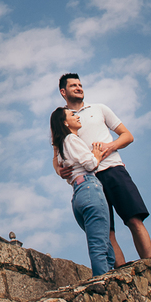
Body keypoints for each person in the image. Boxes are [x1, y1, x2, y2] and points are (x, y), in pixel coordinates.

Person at [53, 73, 151, 266]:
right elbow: (56, 154)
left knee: (134, 219)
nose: (79, 87)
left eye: (80, 84)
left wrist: (111, 146)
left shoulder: (99, 109)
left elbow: (127, 135)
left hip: (113, 169)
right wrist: (59, 171)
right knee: (107, 233)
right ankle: (123, 274)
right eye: (73, 85)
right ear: (63, 92)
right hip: (89, 181)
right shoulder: (61, 118)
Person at [50, 106, 114, 276]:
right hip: (89, 188)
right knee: (100, 247)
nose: (77, 116)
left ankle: (109, 281)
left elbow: (60, 166)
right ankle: (103, 285)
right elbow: (91, 164)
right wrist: (97, 153)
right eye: (72, 115)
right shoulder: (71, 139)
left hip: (78, 194)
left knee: (104, 245)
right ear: (65, 122)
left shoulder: (63, 145)